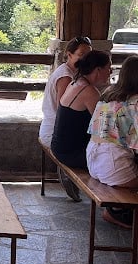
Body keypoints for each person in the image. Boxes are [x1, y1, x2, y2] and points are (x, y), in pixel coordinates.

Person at [50, 51, 112, 200]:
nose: (110, 73)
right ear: (98, 70)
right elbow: (105, 129)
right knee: (118, 162)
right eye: (109, 69)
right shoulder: (89, 92)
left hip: (59, 146)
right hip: (71, 153)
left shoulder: (76, 82)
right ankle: (115, 206)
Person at [87, 54, 138, 229]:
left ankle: (117, 210)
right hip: (113, 167)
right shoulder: (135, 102)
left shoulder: (109, 95)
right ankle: (119, 213)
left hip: (93, 161)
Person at [39, 36, 93, 147]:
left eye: (89, 55)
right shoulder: (65, 77)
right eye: (81, 54)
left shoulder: (72, 72)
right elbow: (63, 113)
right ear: (69, 55)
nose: (86, 59)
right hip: (54, 134)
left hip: (58, 130)